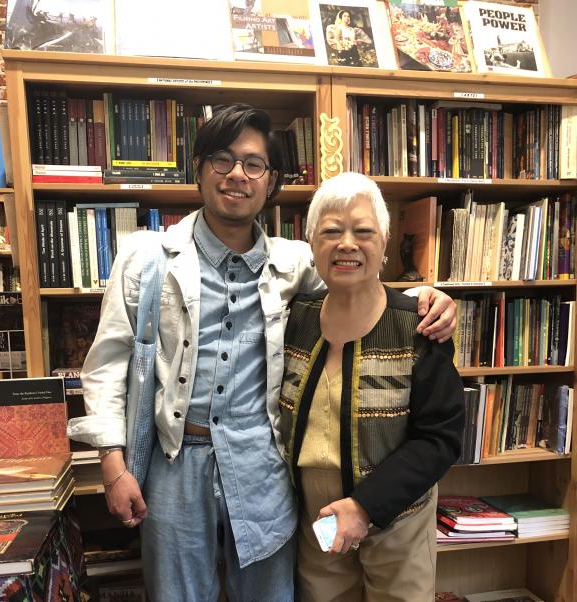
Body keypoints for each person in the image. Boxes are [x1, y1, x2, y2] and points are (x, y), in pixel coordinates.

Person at [67, 105, 457, 602]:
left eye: (253, 164)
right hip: (173, 461)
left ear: (270, 181)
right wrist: (113, 467)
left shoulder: (294, 262)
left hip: (263, 463)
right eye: (221, 160)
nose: (236, 175)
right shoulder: (145, 257)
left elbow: (358, 283)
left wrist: (427, 296)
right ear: (199, 168)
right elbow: (105, 369)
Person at [279, 172, 464, 601]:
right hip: (315, 519)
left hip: (398, 515)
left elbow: (440, 437)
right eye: (331, 231)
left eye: (363, 231)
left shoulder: (419, 325)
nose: (347, 243)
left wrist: (365, 507)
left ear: (384, 242)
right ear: (311, 244)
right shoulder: (294, 319)